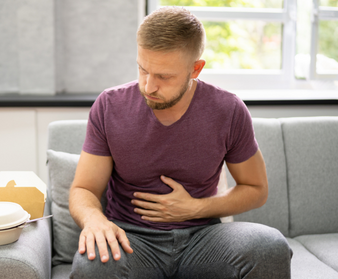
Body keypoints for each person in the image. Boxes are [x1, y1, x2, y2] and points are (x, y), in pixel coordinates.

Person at [68, 6, 292, 279]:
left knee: (271, 246)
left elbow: (257, 189)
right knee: (91, 265)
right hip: (132, 240)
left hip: (204, 238)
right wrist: (94, 220)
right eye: (142, 69)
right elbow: (83, 188)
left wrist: (196, 208)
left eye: (164, 77)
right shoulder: (110, 106)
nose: (149, 86)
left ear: (195, 69)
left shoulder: (228, 110)